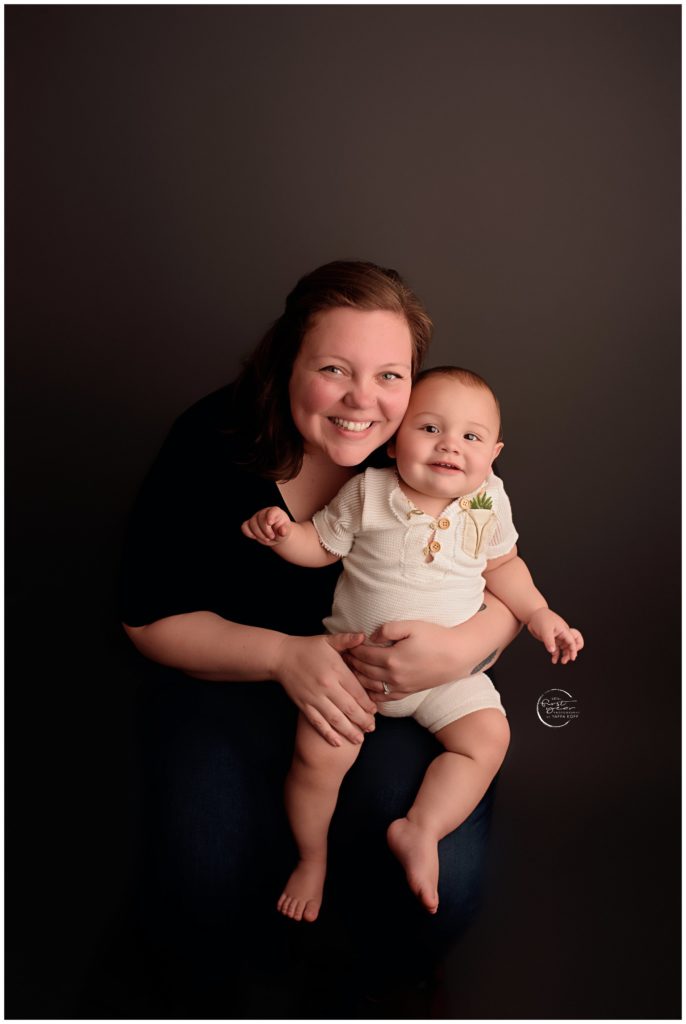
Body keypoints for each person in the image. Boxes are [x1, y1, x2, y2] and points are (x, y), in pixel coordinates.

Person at [119, 261, 523, 1015]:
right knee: (199, 889)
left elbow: (499, 577)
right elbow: (146, 616)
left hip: (389, 689)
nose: (362, 402)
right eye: (333, 369)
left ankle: (373, 982)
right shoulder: (213, 441)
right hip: (230, 685)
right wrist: (281, 654)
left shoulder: (426, 446)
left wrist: (467, 647)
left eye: (389, 376)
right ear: (286, 361)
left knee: (445, 893)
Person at [242, 365, 584, 925]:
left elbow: (504, 566)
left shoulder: (485, 502)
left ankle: (421, 828)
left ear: (493, 453)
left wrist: (540, 613)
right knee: (316, 761)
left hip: (449, 676)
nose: (451, 445)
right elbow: (322, 545)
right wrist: (285, 536)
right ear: (396, 437)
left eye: (471, 437)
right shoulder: (369, 492)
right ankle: (311, 858)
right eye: (429, 429)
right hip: (353, 670)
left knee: (487, 739)